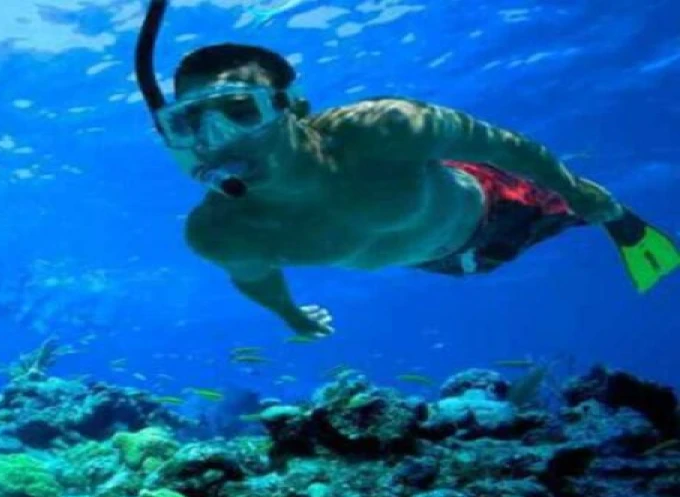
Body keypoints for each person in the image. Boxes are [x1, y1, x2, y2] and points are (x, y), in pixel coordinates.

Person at [133, 1, 680, 339]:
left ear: (292, 107)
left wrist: (571, 188)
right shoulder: (219, 231)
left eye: (239, 110)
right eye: (191, 122)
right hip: (443, 263)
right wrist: (293, 318)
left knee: (584, 206)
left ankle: (618, 218)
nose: (217, 138)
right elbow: (256, 277)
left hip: (498, 206)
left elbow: (503, 147)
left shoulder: (386, 130)